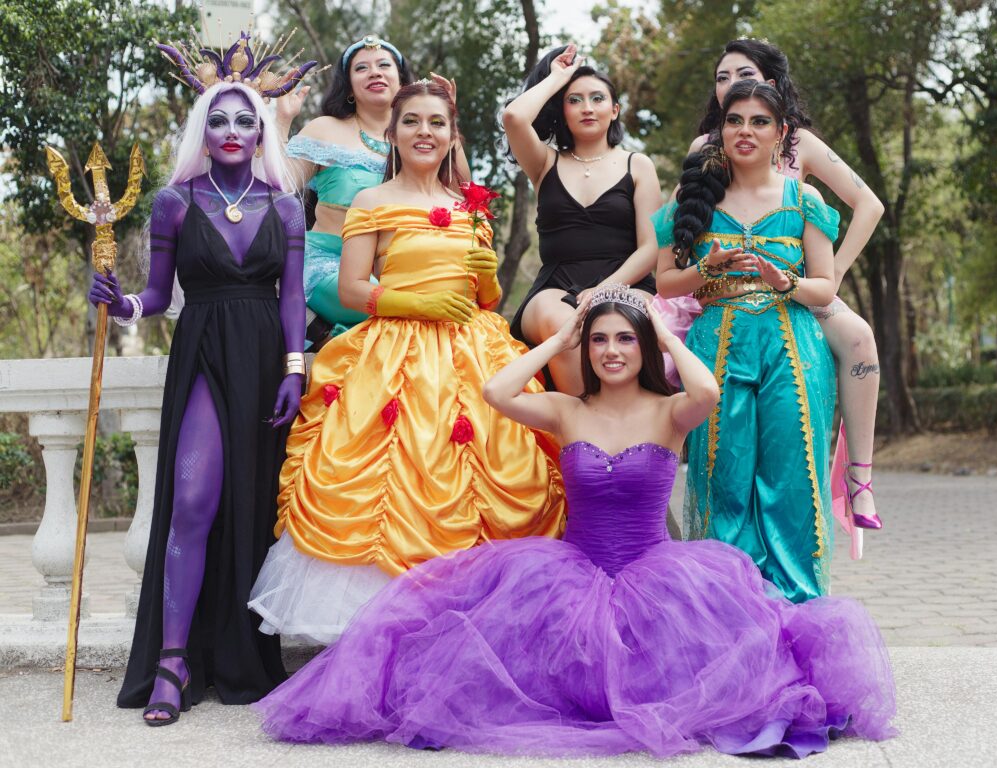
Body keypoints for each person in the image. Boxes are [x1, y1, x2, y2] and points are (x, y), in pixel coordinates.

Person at [252, 285, 897, 758]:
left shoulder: (670, 412)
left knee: (698, 678)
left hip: (656, 577)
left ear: (640, 348)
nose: (612, 351)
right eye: (600, 340)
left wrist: (665, 332)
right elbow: (496, 393)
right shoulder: (565, 410)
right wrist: (559, 339)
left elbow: (706, 393)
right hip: (572, 571)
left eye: (623, 339)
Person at [248, 81, 567, 644]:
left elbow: (486, 298)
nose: (425, 132)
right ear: (392, 133)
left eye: (437, 123)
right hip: (393, 353)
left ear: (452, 135)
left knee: (491, 471)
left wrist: (487, 274)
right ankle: (384, 640)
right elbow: (349, 289)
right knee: (385, 480)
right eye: (413, 121)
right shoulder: (373, 200)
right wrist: (410, 301)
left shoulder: (471, 204)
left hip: (472, 354)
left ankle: (466, 635)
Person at [92, 33, 311, 725]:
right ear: (201, 128)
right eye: (219, 119)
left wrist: (295, 370)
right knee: (191, 500)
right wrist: (122, 302)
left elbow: (292, 299)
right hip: (204, 350)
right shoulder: (174, 203)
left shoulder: (284, 206)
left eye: (246, 120)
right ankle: (172, 660)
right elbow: (157, 297)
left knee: (252, 508)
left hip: (265, 362)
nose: (232, 131)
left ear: (263, 130)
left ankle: (240, 654)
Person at [654, 38, 884, 536]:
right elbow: (672, 262)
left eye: (744, 75)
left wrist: (829, 275)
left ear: (776, 105)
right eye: (723, 79)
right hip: (714, 308)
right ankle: (651, 511)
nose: (733, 86)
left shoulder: (803, 157)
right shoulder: (702, 158)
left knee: (860, 340)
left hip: (793, 295)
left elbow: (868, 206)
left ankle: (860, 475)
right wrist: (707, 271)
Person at [658, 79, 842, 603]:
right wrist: (705, 267)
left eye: (760, 122)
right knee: (725, 476)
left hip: (791, 343)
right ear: (720, 129)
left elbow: (826, 285)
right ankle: (728, 605)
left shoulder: (803, 198)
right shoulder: (694, 197)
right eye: (734, 120)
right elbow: (666, 282)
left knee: (792, 478)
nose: (745, 131)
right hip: (716, 343)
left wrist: (788, 282)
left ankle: (796, 605)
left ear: (781, 133)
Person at [274, 35, 469, 347]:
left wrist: (446, 120)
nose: (374, 72)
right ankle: (332, 340)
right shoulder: (325, 129)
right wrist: (282, 121)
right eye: (361, 68)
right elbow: (280, 186)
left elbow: (461, 195)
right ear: (349, 85)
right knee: (403, 303)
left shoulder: (420, 136)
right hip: (329, 265)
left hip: (400, 266)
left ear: (402, 80)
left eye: (383, 65)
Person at [502, 43, 661, 394]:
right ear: (561, 109)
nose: (587, 108)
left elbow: (650, 249)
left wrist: (605, 290)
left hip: (628, 283)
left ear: (615, 110)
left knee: (627, 322)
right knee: (562, 324)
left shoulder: (638, 165)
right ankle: (584, 436)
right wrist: (558, 77)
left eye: (597, 99)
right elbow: (514, 117)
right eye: (574, 100)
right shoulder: (545, 163)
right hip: (556, 286)